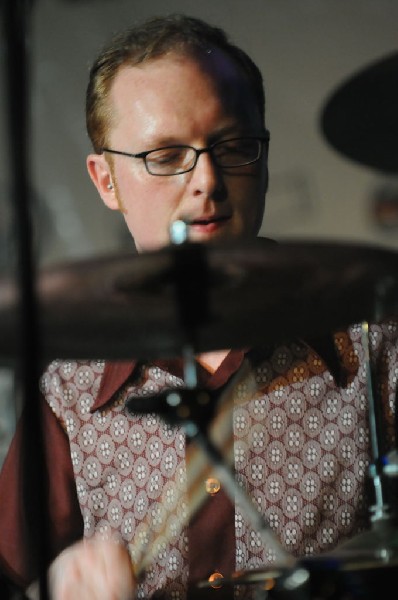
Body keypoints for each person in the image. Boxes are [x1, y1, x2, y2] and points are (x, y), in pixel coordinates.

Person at [0, 13, 397, 600]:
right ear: (105, 180)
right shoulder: (68, 396)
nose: (207, 179)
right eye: (165, 155)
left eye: (232, 146)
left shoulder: (373, 340)